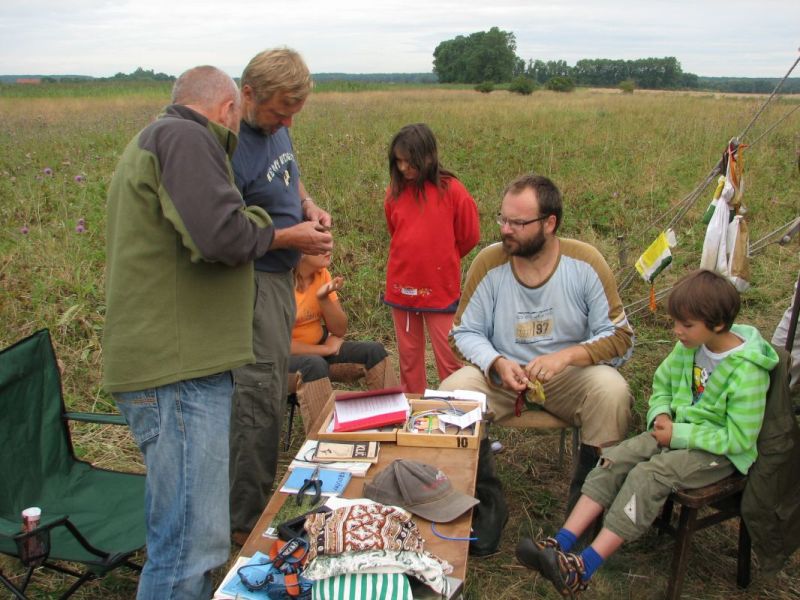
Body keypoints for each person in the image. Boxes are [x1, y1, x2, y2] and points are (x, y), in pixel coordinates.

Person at [103, 66, 277, 599]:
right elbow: (221, 235)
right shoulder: (183, 136)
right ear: (228, 108)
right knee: (188, 550)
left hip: (180, 368)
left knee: (190, 542)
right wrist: (267, 223)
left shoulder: (160, 137)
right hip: (177, 373)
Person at [516, 269, 779, 597]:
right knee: (615, 458)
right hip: (677, 433)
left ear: (718, 325)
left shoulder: (749, 371)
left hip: (719, 454)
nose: (677, 331)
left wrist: (678, 435)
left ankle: (583, 568)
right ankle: (560, 542)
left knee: (648, 475)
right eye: (676, 322)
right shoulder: (689, 346)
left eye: (686, 325)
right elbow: (663, 384)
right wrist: (662, 413)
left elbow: (739, 438)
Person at [440, 173, 634, 514]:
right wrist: (497, 362)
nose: (505, 229)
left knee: (611, 392)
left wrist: (570, 356)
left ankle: (586, 515)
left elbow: (620, 336)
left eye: (518, 222)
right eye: (503, 219)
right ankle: (481, 510)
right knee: (454, 393)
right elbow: (463, 332)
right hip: (502, 378)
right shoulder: (490, 263)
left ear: (550, 223)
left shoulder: (585, 264)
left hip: (568, 377)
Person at [229, 48, 333, 545]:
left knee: (268, 392)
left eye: (294, 114)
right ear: (247, 95)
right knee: (257, 397)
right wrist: (295, 238)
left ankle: (253, 509)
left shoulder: (275, 127)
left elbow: (289, 173)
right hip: (252, 285)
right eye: (279, 113)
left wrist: (308, 207)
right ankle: (243, 523)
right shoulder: (228, 146)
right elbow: (228, 236)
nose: (286, 122)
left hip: (278, 277)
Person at [383, 123, 480, 394]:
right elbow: (396, 232)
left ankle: (456, 410)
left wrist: (442, 257)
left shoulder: (453, 191)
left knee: (448, 358)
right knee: (409, 358)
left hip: (440, 288)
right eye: (398, 161)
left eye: (409, 162)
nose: (403, 168)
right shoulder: (395, 192)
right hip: (402, 289)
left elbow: (469, 235)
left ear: (429, 156)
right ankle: (413, 413)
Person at [289, 246, 398, 430]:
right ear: (301, 250)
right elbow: (277, 345)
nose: (329, 248)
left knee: (374, 352)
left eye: (328, 241)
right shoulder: (279, 282)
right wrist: (325, 349)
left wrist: (323, 298)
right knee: (314, 365)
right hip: (280, 364)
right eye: (320, 244)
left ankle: (393, 427)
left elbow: (339, 330)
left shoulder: (322, 274)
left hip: (318, 352)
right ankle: (326, 445)